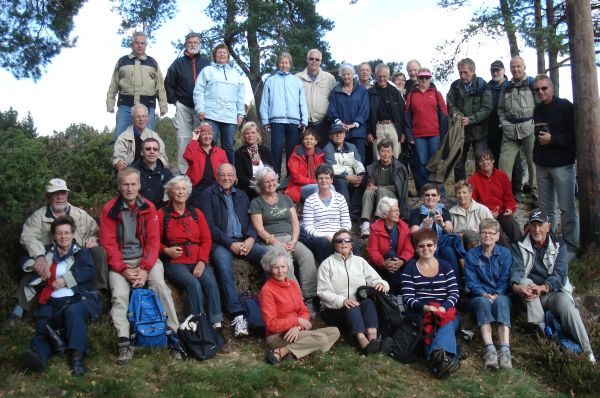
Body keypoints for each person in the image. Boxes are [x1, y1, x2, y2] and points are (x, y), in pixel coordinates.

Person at [1, 178, 106, 331]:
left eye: (62, 193)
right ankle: (17, 313)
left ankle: (97, 294)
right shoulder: (37, 217)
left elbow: (96, 232)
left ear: (67, 195)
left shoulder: (80, 215)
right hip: (49, 259)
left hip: (76, 257)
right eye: (54, 194)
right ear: (48, 196)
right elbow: (27, 237)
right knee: (32, 267)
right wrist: (39, 256)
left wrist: (93, 240)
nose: (59, 197)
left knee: (99, 252)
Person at [99, 168, 180, 365]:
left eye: (133, 184)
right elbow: (108, 245)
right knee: (119, 295)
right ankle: (124, 341)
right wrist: (125, 271)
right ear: (119, 186)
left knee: (160, 286)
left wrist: (144, 269)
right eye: (125, 184)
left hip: (146, 259)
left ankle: (173, 336)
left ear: (139, 186)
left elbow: (153, 242)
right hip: (121, 263)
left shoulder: (148, 207)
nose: (129, 188)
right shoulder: (109, 209)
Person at [510, 209, 596, 363]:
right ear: (528, 226)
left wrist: (542, 287)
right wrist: (517, 288)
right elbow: (516, 270)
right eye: (533, 225)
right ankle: (544, 332)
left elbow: (560, 275)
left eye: (540, 225)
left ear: (548, 226)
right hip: (528, 293)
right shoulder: (518, 245)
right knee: (524, 282)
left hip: (552, 292)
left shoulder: (559, 245)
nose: (537, 229)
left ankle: (588, 353)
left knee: (569, 308)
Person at [21, 216, 102, 376]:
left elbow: (88, 271)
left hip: (77, 298)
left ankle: (77, 357)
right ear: (54, 236)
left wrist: (66, 280)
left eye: (67, 233)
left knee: (73, 313)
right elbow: (23, 261)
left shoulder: (82, 253)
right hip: (50, 299)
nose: (63, 236)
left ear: (73, 235)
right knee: (44, 325)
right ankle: (38, 356)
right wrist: (35, 265)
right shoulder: (46, 254)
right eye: (59, 233)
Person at [198, 163, 268, 338]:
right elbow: (209, 226)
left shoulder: (243, 195)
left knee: (270, 257)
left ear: (235, 177)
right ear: (217, 176)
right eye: (223, 175)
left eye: (230, 175)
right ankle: (237, 315)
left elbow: (253, 222)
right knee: (223, 265)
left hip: (244, 241)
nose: (226, 178)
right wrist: (230, 244)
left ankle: (271, 303)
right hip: (221, 243)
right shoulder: (207, 195)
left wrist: (251, 239)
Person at [249, 167, 318, 315]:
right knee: (286, 265)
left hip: (290, 238)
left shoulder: (286, 198)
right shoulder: (256, 202)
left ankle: (310, 298)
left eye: (273, 180)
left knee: (307, 256)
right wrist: (276, 243)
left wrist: (294, 240)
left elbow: (295, 223)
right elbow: (259, 229)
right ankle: (298, 303)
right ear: (260, 184)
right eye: (266, 181)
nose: (270, 183)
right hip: (271, 240)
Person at [158, 176, 223, 328]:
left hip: (196, 259)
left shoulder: (196, 213)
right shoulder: (162, 214)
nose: (180, 192)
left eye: (183, 189)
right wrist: (166, 250)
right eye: (177, 189)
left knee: (211, 284)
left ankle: (216, 322)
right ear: (170, 192)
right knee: (193, 284)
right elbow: (154, 241)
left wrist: (201, 262)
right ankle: (197, 323)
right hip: (174, 262)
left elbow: (206, 240)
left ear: (188, 192)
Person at [259, 246, 340, 365]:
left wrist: (297, 327)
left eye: (283, 266)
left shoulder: (292, 285)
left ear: (288, 267)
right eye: (276, 268)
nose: (280, 271)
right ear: (269, 269)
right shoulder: (267, 290)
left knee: (335, 331)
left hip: (295, 330)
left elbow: (304, 311)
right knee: (321, 338)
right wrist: (296, 321)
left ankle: (296, 352)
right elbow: (271, 324)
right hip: (278, 335)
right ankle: (280, 351)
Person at [318, 229, 389, 355]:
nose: (343, 243)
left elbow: (376, 279)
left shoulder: (360, 261)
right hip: (335, 310)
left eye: (347, 240)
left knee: (368, 303)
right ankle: (363, 343)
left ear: (352, 244)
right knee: (352, 306)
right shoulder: (326, 265)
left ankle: (373, 339)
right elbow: (323, 292)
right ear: (334, 245)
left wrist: (381, 284)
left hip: (359, 306)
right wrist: (343, 300)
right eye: (339, 241)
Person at [401, 228, 460, 378]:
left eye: (429, 245)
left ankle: (435, 359)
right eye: (421, 246)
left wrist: (442, 307)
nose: (425, 249)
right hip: (421, 312)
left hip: (445, 310)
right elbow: (408, 297)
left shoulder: (446, 266)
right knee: (432, 328)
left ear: (435, 246)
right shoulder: (410, 269)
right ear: (416, 248)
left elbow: (454, 294)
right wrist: (425, 307)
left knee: (447, 322)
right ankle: (445, 361)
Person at [532, 74, 579, 254]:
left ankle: (571, 247)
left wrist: (553, 139)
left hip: (562, 164)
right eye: (537, 90)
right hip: (542, 164)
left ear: (552, 87)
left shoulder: (565, 107)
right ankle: (548, 243)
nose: (541, 92)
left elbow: (574, 136)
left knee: (567, 208)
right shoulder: (537, 109)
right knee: (546, 209)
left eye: (544, 88)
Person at [464, 218, 513, 370]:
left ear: (498, 236)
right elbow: (471, 282)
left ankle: (505, 350)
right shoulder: (471, 255)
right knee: (482, 302)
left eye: (492, 233)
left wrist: (498, 294)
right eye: (484, 232)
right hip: (479, 296)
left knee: (502, 302)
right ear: (479, 234)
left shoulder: (505, 254)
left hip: (501, 295)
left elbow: (506, 279)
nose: (487, 236)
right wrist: (484, 294)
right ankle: (490, 349)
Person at [165, 32, 211, 174]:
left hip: (202, 107)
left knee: (203, 137)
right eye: (190, 42)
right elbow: (168, 83)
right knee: (183, 138)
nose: (193, 45)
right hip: (183, 106)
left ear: (200, 45)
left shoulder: (207, 63)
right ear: (186, 44)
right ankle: (184, 172)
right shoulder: (177, 63)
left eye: (196, 43)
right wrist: (175, 101)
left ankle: (201, 169)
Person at [106, 32, 167, 138]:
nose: (139, 45)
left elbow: (160, 87)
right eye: (137, 43)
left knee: (148, 138)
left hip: (147, 107)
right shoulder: (122, 61)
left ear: (146, 45)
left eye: (142, 43)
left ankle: (144, 155)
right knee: (120, 137)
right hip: (125, 106)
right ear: (132, 44)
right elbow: (114, 84)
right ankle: (120, 155)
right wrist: (110, 103)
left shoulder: (152, 63)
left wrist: (163, 106)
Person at [193, 43, 246, 163]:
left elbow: (241, 96)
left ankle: (229, 175)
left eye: (224, 52)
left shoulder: (236, 75)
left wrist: (241, 114)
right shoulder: (207, 71)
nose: (222, 54)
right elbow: (198, 91)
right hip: (211, 114)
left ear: (228, 56)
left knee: (228, 146)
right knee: (210, 143)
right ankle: (209, 173)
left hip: (230, 116)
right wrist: (200, 109)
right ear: (214, 55)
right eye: (219, 52)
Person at [498, 56, 538, 207]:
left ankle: (536, 196)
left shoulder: (532, 83)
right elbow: (500, 108)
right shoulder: (506, 86)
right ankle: (505, 198)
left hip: (529, 127)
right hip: (510, 130)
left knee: (533, 162)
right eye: (513, 67)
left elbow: (539, 105)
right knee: (504, 165)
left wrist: (537, 124)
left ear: (524, 66)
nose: (515, 69)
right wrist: (503, 123)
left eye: (518, 66)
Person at [260, 52, 308, 175]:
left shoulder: (296, 81)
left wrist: (304, 120)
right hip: (276, 121)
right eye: (282, 62)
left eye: (286, 62)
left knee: (292, 151)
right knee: (276, 149)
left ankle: (290, 178)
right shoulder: (271, 81)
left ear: (290, 64)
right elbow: (264, 102)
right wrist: (265, 121)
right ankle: (275, 177)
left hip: (294, 121)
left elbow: (302, 101)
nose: (284, 65)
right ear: (278, 64)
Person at [446, 58, 492, 183]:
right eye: (460, 72)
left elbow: (487, 109)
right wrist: (455, 114)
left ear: (473, 71)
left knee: (480, 162)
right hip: (461, 132)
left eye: (465, 72)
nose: (462, 75)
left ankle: (479, 190)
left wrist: (471, 119)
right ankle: (461, 190)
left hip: (479, 132)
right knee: (458, 162)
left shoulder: (483, 85)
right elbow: (450, 104)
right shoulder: (455, 86)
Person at [301, 164, 354, 266]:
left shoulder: (340, 198)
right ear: (316, 180)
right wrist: (324, 236)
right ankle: (328, 270)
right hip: (319, 237)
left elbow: (346, 222)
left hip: (338, 235)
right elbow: (308, 227)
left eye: (327, 178)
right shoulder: (310, 201)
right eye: (321, 178)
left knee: (352, 243)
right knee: (323, 243)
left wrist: (340, 236)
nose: (324, 181)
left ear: (332, 180)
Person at [404, 68, 447, 192]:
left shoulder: (436, 94)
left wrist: (443, 135)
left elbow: (444, 115)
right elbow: (407, 117)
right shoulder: (411, 95)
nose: (424, 80)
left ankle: (440, 192)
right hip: (418, 136)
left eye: (426, 78)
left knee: (436, 164)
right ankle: (426, 191)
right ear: (417, 79)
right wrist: (409, 136)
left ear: (430, 79)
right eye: (421, 77)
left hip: (435, 134)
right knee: (422, 164)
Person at [468, 149, 523, 245]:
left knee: (511, 223)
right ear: (478, 164)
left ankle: (523, 248)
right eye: (481, 161)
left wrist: (509, 209)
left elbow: (509, 197)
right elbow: (472, 203)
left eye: (487, 159)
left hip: (502, 212)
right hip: (486, 215)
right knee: (496, 231)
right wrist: (486, 213)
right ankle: (508, 256)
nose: (485, 162)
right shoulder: (474, 179)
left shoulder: (502, 176)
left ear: (492, 160)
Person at [487, 60, 523, 199]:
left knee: (515, 161)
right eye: (493, 70)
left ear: (503, 71)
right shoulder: (487, 87)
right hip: (491, 130)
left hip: (510, 129)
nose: (495, 73)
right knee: (494, 161)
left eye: (498, 70)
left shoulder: (510, 85)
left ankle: (516, 190)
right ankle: (497, 190)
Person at [360, 139, 410, 237]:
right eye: (383, 151)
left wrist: (378, 188)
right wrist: (372, 187)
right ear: (378, 152)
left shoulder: (399, 168)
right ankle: (365, 224)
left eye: (388, 151)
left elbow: (398, 188)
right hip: (377, 197)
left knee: (381, 190)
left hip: (394, 198)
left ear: (392, 152)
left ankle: (379, 222)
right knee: (368, 192)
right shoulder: (373, 167)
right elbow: (371, 185)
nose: (385, 154)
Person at [367, 197, 414, 295]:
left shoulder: (404, 227)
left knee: (406, 261)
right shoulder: (375, 228)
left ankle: (396, 292)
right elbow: (372, 251)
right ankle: (400, 292)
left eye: (398, 210)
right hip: (381, 265)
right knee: (390, 254)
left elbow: (408, 249)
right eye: (394, 211)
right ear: (385, 214)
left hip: (400, 264)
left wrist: (401, 261)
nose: (398, 213)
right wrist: (383, 263)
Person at [327, 63, 370, 161]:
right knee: (344, 160)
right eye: (344, 74)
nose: (346, 76)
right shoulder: (335, 91)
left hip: (358, 132)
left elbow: (365, 110)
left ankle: (360, 177)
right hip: (341, 132)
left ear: (353, 74)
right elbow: (332, 109)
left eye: (348, 74)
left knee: (359, 160)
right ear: (341, 75)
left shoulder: (361, 90)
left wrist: (354, 124)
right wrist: (339, 123)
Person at [323, 124, 366, 220]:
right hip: (338, 176)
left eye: (341, 133)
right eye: (335, 133)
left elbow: (357, 162)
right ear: (330, 136)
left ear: (344, 134)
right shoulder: (328, 149)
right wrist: (347, 177)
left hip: (353, 175)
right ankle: (346, 212)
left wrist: (360, 176)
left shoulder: (352, 147)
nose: (338, 135)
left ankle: (357, 210)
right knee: (341, 181)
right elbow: (333, 167)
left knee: (364, 180)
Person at [296, 49, 337, 145]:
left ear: (320, 61)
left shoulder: (330, 78)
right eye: (311, 59)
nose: (314, 61)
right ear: (307, 60)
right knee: (303, 154)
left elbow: (335, 100)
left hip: (323, 123)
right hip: (303, 123)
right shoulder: (297, 78)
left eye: (317, 59)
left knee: (323, 153)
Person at [112, 104, 168, 172]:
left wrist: (158, 164)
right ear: (132, 119)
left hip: (151, 172)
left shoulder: (155, 137)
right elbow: (118, 158)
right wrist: (118, 163)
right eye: (138, 117)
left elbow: (163, 158)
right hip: (131, 173)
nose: (141, 119)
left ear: (147, 118)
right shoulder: (123, 138)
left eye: (143, 116)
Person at [184, 123, 228, 207]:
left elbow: (226, 169)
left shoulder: (220, 152)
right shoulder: (194, 149)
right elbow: (187, 156)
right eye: (204, 134)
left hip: (216, 188)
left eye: (210, 134)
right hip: (197, 188)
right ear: (199, 135)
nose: (207, 137)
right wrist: (194, 139)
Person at [367, 63, 405, 160]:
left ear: (388, 76)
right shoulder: (370, 93)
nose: (382, 79)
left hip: (393, 127)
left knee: (395, 156)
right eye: (379, 76)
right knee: (378, 157)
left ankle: (394, 175)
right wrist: (368, 132)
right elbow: (366, 114)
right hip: (377, 127)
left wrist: (403, 132)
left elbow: (402, 113)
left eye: (384, 76)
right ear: (375, 76)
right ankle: (379, 175)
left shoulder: (394, 92)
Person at [285, 128, 328, 202]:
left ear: (316, 141)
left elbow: (324, 172)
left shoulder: (320, 155)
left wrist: (320, 181)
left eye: (311, 139)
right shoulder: (296, 155)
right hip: (299, 188)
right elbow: (296, 177)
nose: (309, 141)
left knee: (331, 187)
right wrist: (314, 182)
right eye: (306, 139)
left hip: (318, 183)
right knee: (318, 188)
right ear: (303, 141)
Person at [234, 121, 274, 200]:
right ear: (243, 135)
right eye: (247, 133)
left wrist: (266, 183)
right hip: (249, 188)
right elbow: (241, 176)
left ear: (257, 134)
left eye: (253, 132)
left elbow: (273, 170)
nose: (250, 135)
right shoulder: (239, 153)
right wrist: (257, 185)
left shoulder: (265, 151)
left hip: (268, 184)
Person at [130, 138, 173, 209]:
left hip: (159, 213)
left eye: (155, 149)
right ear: (141, 152)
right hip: (137, 212)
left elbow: (175, 191)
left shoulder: (165, 172)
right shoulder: (131, 171)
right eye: (148, 149)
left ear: (158, 153)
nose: (152, 152)